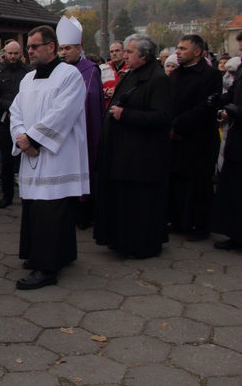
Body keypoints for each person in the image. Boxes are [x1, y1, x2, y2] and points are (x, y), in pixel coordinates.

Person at [9, 25, 89, 290]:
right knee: (35, 207)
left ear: (51, 47)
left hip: (57, 154)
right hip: (32, 152)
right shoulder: (27, 79)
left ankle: (47, 269)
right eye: (28, 47)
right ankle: (54, 255)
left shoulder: (69, 75)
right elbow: (15, 111)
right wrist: (22, 137)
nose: (29, 51)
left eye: (34, 46)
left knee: (52, 208)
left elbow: (63, 112)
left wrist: (33, 139)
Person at [94, 34, 171, 258]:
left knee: (139, 203)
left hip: (142, 155)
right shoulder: (131, 75)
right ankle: (120, 240)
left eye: (129, 52)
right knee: (124, 201)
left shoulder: (158, 79)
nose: (124, 55)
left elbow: (162, 116)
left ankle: (139, 245)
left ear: (145, 55)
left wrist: (125, 114)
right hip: (123, 151)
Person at [167, 34, 222, 241]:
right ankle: (180, 220)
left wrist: (178, 125)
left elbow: (205, 107)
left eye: (183, 49)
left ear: (197, 52)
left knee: (198, 184)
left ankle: (201, 225)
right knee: (178, 180)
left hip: (198, 138)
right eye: (177, 48)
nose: (178, 52)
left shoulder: (211, 75)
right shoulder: (175, 75)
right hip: (174, 137)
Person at [56, 16, 104, 230]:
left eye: (67, 48)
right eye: (61, 48)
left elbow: (89, 100)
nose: (63, 52)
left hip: (83, 128)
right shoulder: (59, 70)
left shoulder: (90, 69)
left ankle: (86, 213)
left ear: (79, 47)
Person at [0, 41, 32, 209]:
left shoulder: (29, 71)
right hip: (7, 120)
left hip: (28, 119)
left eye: (16, 53)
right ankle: (7, 195)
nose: (13, 56)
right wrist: (13, 105)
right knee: (7, 160)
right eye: (10, 53)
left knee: (27, 158)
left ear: (21, 53)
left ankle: (28, 194)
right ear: (4, 53)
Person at [211, 32, 242, 250]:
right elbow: (232, 93)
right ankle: (235, 234)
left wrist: (236, 110)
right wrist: (219, 100)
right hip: (237, 140)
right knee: (233, 189)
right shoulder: (241, 68)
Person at [100, 41, 128, 108]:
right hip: (106, 111)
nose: (114, 54)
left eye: (117, 51)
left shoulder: (130, 69)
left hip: (124, 110)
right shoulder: (102, 69)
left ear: (124, 52)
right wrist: (105, 92)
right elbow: (95, 89)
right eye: (112, 52)